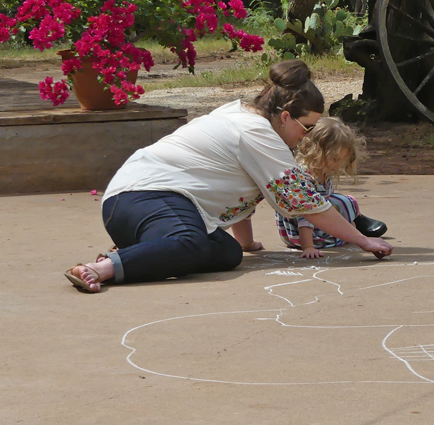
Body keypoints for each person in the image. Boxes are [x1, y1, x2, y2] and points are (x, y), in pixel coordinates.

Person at [64, 60, 393, 293]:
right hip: (142, 197)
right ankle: (101, 268)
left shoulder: (244, 115)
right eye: (306, 128)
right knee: (190, 243)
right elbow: (306, 203)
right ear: (285, 115)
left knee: (229, 253)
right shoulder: (258, 133)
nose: (306, 137)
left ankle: (150, 249)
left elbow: (245, 192)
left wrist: (246, 242)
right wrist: (362, 240)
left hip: (145, 206)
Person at [276, 117, 386, 259]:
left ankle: (353, 229)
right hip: (302, 233)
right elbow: (306, 215)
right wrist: (308, 247)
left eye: (341, 160)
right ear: (316, 152)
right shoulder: (305, 177)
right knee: (340, 203)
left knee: (344, 201)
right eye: (334, 159)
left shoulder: (323, 169)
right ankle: (352, 230)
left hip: (314, 221)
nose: (337, 165)